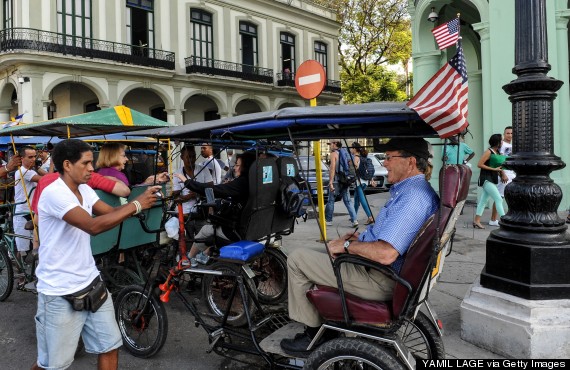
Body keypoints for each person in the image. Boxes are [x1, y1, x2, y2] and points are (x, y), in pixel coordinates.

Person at [280, 138, 439, 357]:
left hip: (379, 276)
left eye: (389, 158)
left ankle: (314, 335)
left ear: (410, 162)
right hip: (382, 271)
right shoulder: (413, 191)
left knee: (297, 259)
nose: (384, 164)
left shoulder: (413, 198)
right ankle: (327, 316)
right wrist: (359, 241)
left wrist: (347, 246)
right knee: (322, 250)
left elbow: (385, 253)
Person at [31, 139, 160, 370]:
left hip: (91, 283)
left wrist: (143, 201)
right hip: (60, 292)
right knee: (52, 365)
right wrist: (136, 205)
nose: (92, 168)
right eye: (87, 163)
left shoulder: (84, 188)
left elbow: (110, 213)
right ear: (68, 165)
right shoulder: (54, 194)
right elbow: (92, 226)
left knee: (109, 345)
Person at [174, 152, 256, 267]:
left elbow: (213, 189)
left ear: (245, 167)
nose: (234, 168)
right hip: (252, 227)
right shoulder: (256, 181)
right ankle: (205, 254)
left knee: (206, 230)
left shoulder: (242, 182)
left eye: (237, 165)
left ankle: (189, 258)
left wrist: (187, 182)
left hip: (236, 231)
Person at [13, 146, 43, 261]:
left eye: (34, 156)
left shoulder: (30, 171)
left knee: (36, 245)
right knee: (23, 249)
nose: (33, 159)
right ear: (22, 158)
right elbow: (45, 179)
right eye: (30, 157)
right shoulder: (22, 171)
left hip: (32, 211)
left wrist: (38, 167)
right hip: (23, 212)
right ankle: (20, 275)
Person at [473, 134, 508, 229]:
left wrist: (502, 174)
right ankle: (505, 221)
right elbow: (479, 164)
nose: (502, 142)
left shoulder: (498, 152)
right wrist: (493, 169)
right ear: (496, 141)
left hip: (493, 179)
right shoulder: (489, 152)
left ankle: (476, 221)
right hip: (486, 178)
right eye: (501, 140)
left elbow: (499, 168)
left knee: (483, 201)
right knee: (499, 199)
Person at [96, 143, 168, 186]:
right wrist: (146, 183)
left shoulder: (100, 171)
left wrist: (148, 181)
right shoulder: (117, 175)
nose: (127, 159)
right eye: (124, 156)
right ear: (113, 157)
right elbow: (130, 196)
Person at [171, 145, 213, 215]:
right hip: (185, 213)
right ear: (182, 158)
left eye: (194, 156)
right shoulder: (177, 174)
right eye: (188, 157)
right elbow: (176, 197)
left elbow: (211, 189)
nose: (191, 159)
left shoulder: (204, 169)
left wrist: (198, 193)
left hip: (203, 212)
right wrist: (189, 196)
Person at [325, 141, 358, 228]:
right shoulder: (346, 153)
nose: (330, 146)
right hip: (346, 180)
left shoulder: (334, 154)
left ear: (335, 144)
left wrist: (331, 182)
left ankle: (328, 220)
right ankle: (354, 220)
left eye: (330, 144)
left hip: (337, 180)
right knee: (348, 201)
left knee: (331, 200)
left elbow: (332, 168)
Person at [490, 126, 514, 226]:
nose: (510, 135)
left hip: (512, 173)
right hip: (504, 173)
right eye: (507, 133)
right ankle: (493, 219)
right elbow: (498, 160)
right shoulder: (501, 145)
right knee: (500, 196)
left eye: (511, 133)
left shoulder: (511, 145)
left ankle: (510, 217)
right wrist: (502, 173)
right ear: (504, 134)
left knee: (511, 196)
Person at [350, 142, 374, 225]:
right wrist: (371, 179)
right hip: (365, 181)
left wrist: (351, 164)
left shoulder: (356, 157)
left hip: (359, 181)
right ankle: (354, 217)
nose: (351, 150)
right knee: (356, 199)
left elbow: (355, 169)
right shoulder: (363, 157)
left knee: (362, 199)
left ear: (354, 149)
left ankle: (370, 217)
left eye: (351, 148)